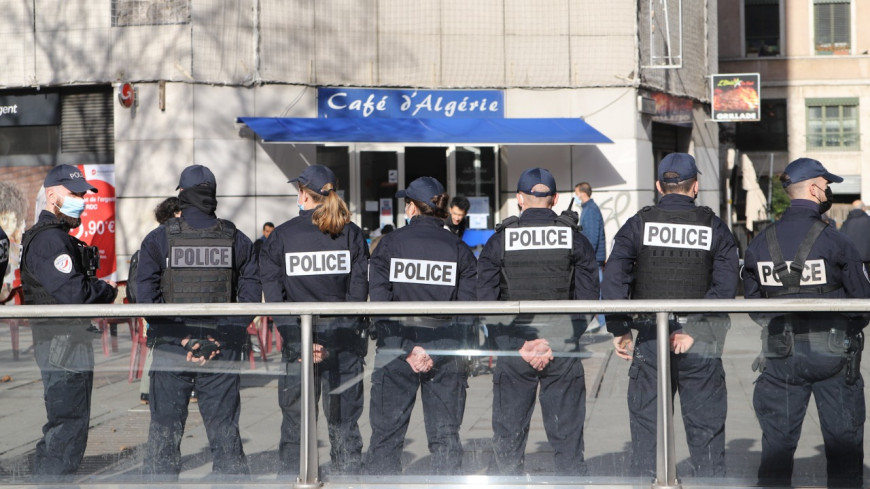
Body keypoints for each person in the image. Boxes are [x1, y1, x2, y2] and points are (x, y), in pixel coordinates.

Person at [602, 153, 738, 478]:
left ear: (659, 186)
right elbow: (725, 285)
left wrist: (620, 329)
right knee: (706, 433)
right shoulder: (714, 227)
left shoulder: (638, 224)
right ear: (695, 187)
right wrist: (696, 330)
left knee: (646, 432)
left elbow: (614, 277)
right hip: (700, 343)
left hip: (651, 337)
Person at [742, 158, 870, 488]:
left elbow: (752, 304)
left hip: (780, 356)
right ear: (813, 189)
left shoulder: (760, 242)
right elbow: (863, 302)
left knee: (776, 450)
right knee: (844, 450)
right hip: (833, 356)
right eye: (826, 186)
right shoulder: (836, 241)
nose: (828, 191)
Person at [136, 164, 261, 481]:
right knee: (225, 435)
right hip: (222, 348)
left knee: (164, 436)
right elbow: (251, 295)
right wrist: (221, 338)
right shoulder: (236, 238)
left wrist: (183, 340)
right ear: (212, 195)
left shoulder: (158, 239)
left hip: (172, 349)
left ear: (181, 194)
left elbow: (146, 298)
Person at [477, 168, 599, 475]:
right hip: (562, 351)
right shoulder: (574, 239)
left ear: (519, 199)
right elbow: (589, 300)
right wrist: (555, 342)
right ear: (555, 199)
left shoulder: (499, 241)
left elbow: (484, 302)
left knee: (508, 440)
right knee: (568, 443)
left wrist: (518, 344)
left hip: (514, 352)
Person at [259, 165, 370, 476]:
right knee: (344, 424)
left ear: (302, 194)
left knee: (296, 424)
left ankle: (292, 479)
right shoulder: (351, 233)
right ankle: (348, 481)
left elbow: (276, 299)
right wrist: (335, 340)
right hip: (344, 343)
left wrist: (301, 343)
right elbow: (357, 295)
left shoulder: (281, 236)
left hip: (299, 345)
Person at [364, 177, 477, 475]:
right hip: (445, 351)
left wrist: (408, 349)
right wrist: (433, 351)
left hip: (396, 350)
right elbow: (468, 313)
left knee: (386, 440)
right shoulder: (459, 249)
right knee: (445, 439)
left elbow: (379, 306)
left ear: (412, 208)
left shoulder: (389, 244)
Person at [20, 165, 118, 480]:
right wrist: (107, 290)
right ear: (51, 195)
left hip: (63, 341)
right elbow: (75, 293)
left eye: (83, 194)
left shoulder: (56, 237)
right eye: (74, 193)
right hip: (61, 344)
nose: (81, 201)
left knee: (68, 424)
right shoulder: (50, 240)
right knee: (67, 425)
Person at [128, 197, 182, 404]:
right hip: (161, 307)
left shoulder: (152, 240)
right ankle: (149, 390)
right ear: (175, 213)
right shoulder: (162, 240)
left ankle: (148, 391)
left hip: (152, 305)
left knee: (155, 345)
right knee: (158, 345)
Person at [567, 181, 607, 342]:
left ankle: (602, 323)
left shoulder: (590, 210)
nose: (575, 197)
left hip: (593, 259)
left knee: (597, 292)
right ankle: (600, 322)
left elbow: (591, 238)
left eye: (576, 193)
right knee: (597, 291)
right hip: (595, 258)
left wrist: (585, 257)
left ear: (582, 194)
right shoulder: (589, 209)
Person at [839, 199, 870, 271]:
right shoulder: (868, 220)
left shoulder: (846, 223)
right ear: (863, 208)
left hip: (852, 260)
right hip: (867, 260)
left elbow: (840, 239)